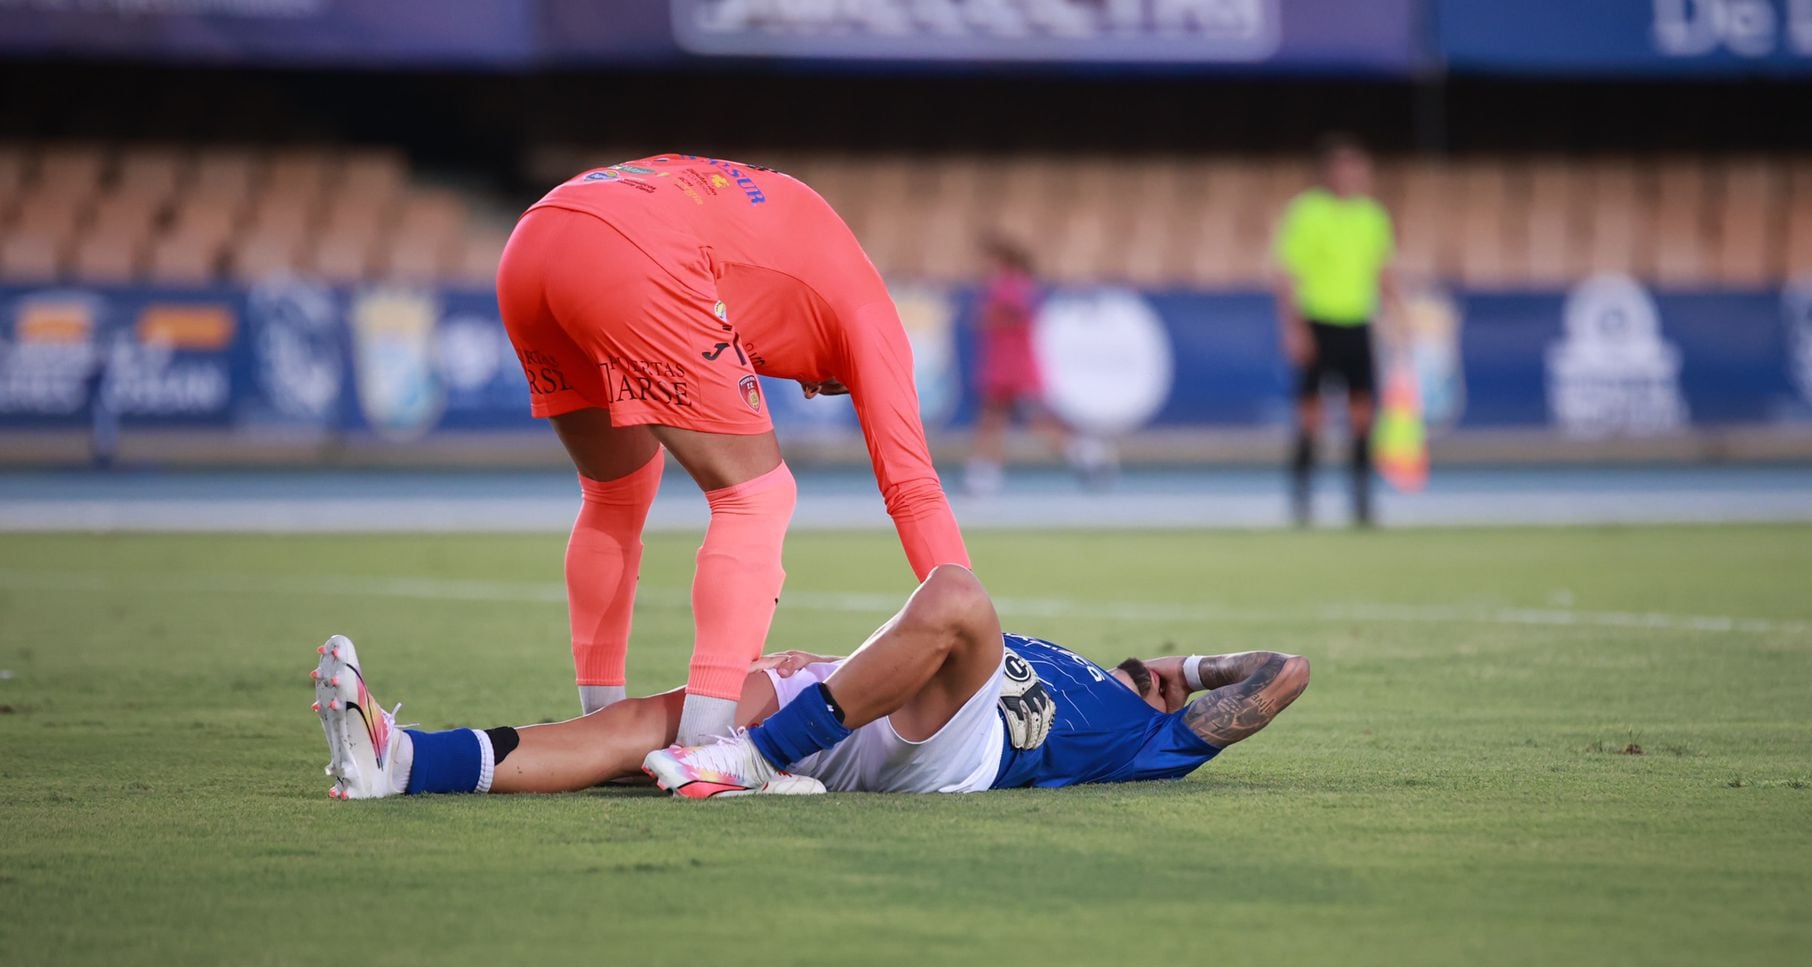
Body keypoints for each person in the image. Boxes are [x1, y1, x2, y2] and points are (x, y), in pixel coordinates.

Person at [495, 153, 970, 745]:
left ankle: (599, 727)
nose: (812, 388)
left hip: (536, 239)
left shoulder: (802, 240)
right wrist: (972, 630)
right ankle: (708, 748)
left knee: (617, 490)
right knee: (757, 497)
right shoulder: (874, 321)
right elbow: (913, 488)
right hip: (633, 253)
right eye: (831, 384)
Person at [309, 567, 1309, 801]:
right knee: (643, 721)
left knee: (958, 590)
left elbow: (1283, 673)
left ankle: (750, 761)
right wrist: (822, 660)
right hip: (860, 693)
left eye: (1167, 674)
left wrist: (1181, 678)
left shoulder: (1151, 739)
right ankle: (400, 760)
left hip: (956, 747)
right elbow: (909, 647)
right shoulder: (1073, 659)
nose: (1153, 665)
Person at [1273, 134, 1400, 526]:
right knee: (1310, 416)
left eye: (1358, 169)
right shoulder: (1308, 213)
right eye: (1344, 168)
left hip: (1357, 323)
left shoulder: (1372, 216)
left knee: (1362, 415)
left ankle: (1362, 503)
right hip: (1318, 320)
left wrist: (1400, 315)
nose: (1351, 176)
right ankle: (1302, 502)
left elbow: (1382, 271)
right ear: (1328, 173)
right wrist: (1294, 327)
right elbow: (1289, 274)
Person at [965, 234, 1113, 497]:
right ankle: (984, 475)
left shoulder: (1012, 286)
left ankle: (1085, 452)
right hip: (1002, 366)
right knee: (992, 422)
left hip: (1015, 367)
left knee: (1036, 422)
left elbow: (1014, 313)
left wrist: (990, 317)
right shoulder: (1005, 287)